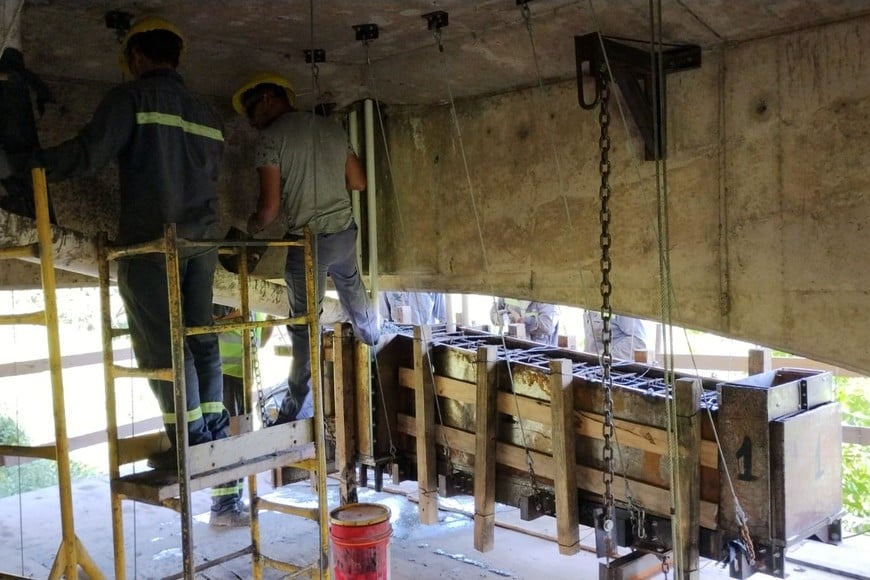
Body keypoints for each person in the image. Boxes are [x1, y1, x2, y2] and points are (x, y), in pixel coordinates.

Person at [33, 17, 247, 526]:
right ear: (177, 56)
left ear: (134, 58)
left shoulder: (132, 98)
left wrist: (30, 166)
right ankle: (211, 437)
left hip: (154, 245)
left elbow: (89, 153)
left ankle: (190, 445)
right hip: (200, 242)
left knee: (164, 347)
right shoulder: (206, 112)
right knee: (201, 339)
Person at [233, 72, 380, 425]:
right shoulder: (332, 129)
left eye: (252, 111)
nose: (252, 122)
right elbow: (358, 181)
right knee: (352, 289)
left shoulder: (270, 139)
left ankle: (297, 405)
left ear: (269, 97)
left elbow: (268, 211)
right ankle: (373, 340)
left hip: (309, 244)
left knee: (304, 324)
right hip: (344, 234)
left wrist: (249, 227)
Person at [214, 305, 273, 421]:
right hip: (225, 373)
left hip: (245, 373)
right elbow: (210, 328)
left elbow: (262, 341)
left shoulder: (255, 303)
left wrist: (271, 317)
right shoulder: (222, 300)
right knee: (232, 422)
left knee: (243, 420)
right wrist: (240, 314)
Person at [490, 298, 559, 345]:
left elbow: (548, 327)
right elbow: (494, 316)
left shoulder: (544, 299)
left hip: (537, 350)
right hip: (509, 346)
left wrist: (522, 321)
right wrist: (506, 317)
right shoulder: (507, 290)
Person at [584, 311, 648, 361]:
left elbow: (638, 342)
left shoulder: (619, 302)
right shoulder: (588, 302)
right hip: (592, 367)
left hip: (614, 370)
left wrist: (604, 357)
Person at [379, 291, 445, 325]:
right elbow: (384, 319)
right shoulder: (387, 282)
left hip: (426, 342)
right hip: (397, 341)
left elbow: (444, 318)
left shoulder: (432, 280)